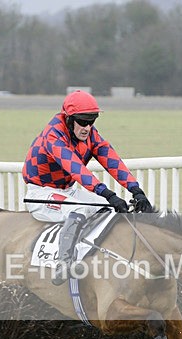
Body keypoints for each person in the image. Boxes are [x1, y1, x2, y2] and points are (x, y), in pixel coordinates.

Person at [22, 90, 153, 284]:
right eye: (83, 122)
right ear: (69, 119)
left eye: (92, 121)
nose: (88, 127)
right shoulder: (54, 135)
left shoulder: (90, 134)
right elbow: (77, 170)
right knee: (78, 210)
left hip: (68, 191)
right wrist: (109, 194)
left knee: (109, 208)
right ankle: (63, 263)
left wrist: (136, 190)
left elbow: (112, 160)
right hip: (41, 193)